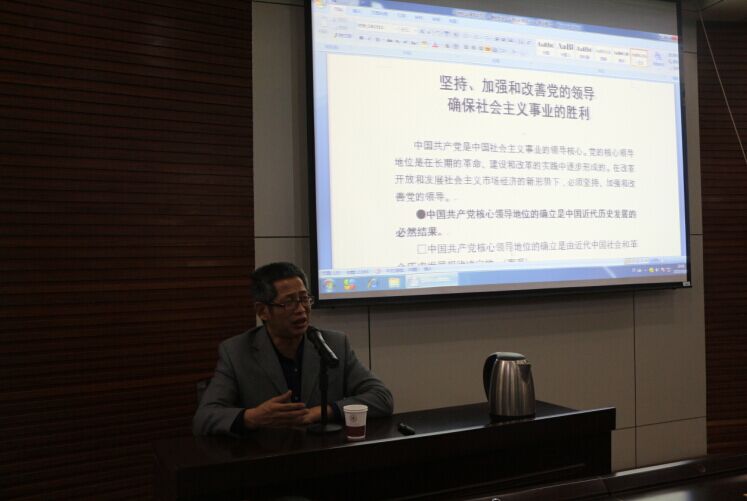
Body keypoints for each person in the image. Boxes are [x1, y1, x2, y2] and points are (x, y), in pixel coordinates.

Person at [193, 262, 393, 436]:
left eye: (304, 299)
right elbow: (204, 418)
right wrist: (253, 417)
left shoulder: (334, 344)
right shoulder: (236, 352)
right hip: (266, 457)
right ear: (263, 311)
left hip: (324, 454)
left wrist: (321, 412)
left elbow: (381, 398)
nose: (301, 310)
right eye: (288, 302)